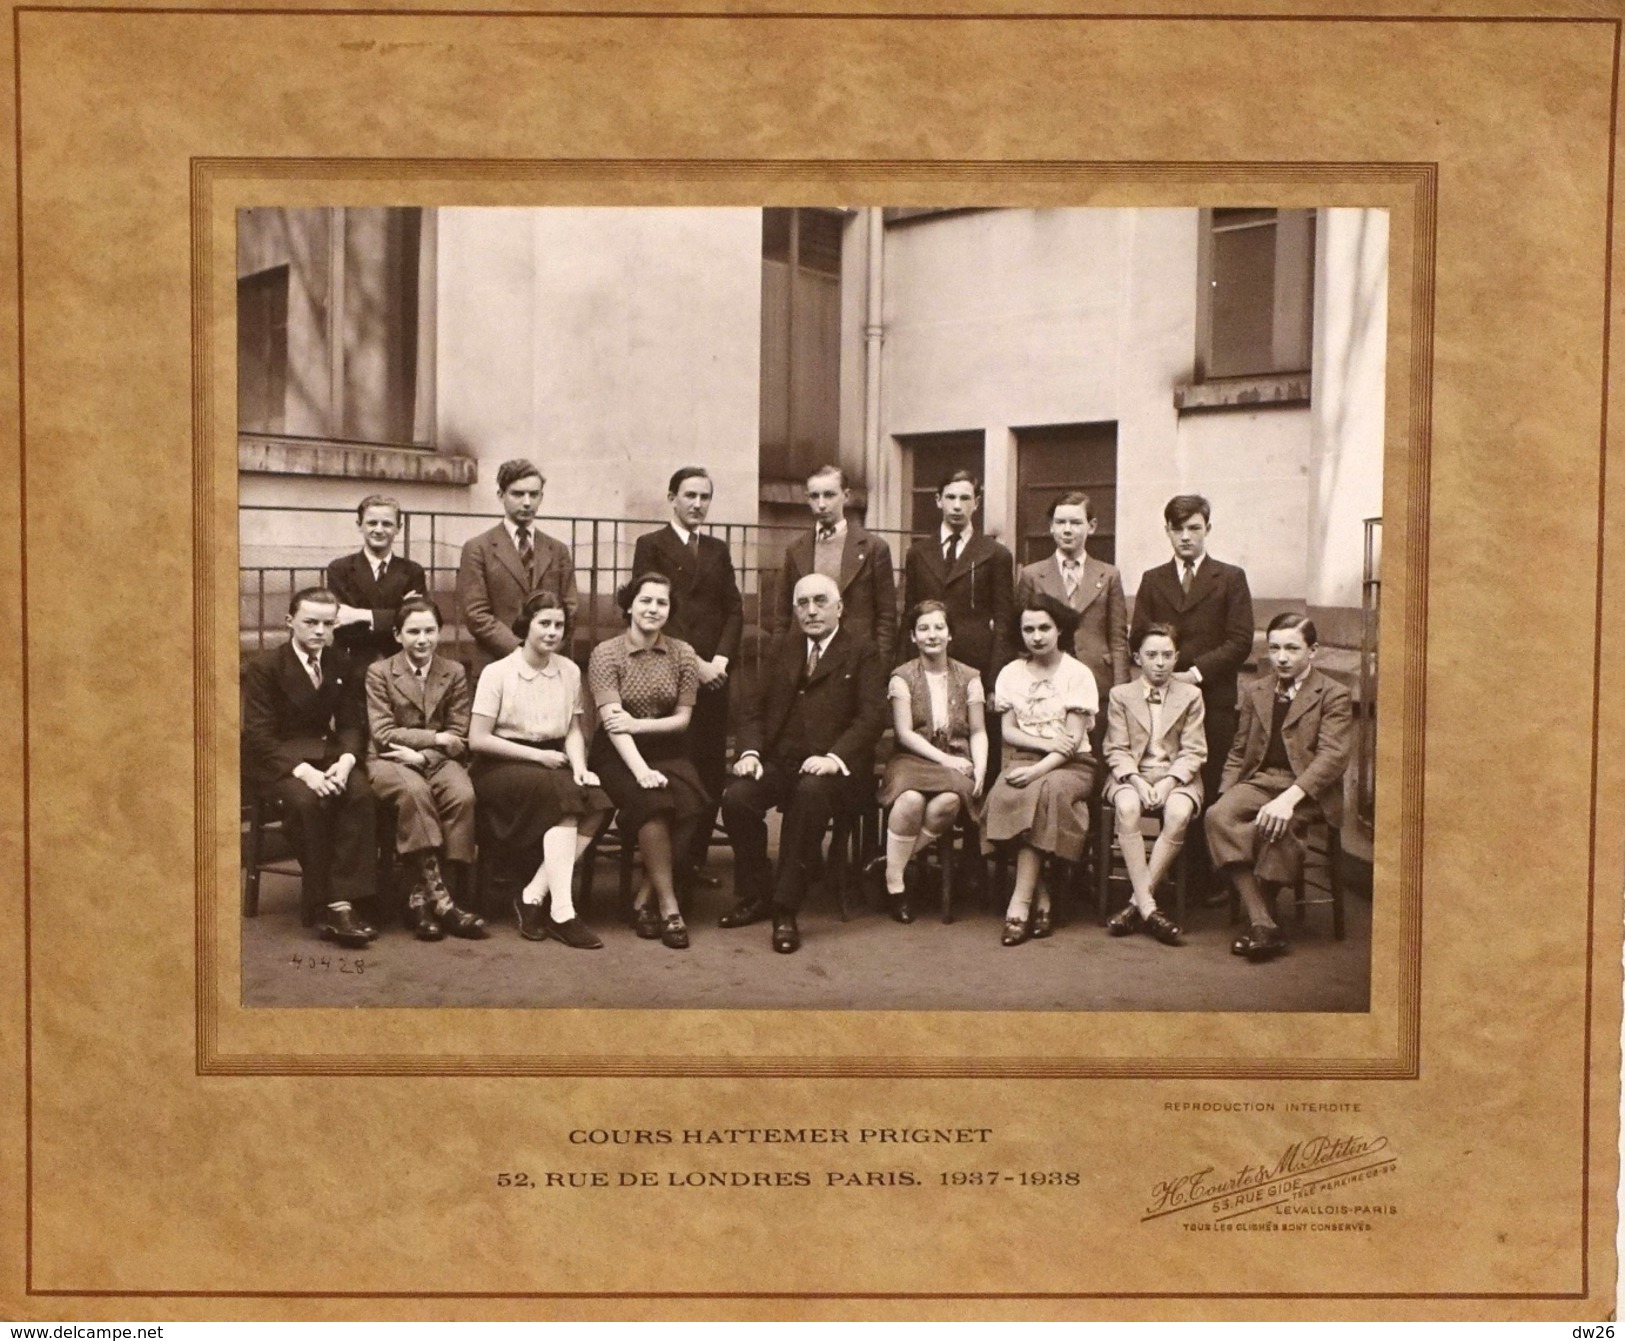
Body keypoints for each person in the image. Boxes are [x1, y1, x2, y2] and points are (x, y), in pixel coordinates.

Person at [719, 572, 887, 954]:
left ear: (839, 608)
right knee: (737, 798)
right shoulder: (783, 648)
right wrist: (749, 754)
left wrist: (834, 757)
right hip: (781, 761)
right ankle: (756, 894)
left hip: (837, 770)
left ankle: (785, 908)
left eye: (820, 601)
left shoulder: (862, 651)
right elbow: (753, 710)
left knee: (809, 795)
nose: (811, 611)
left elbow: (872, 717)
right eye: (802, 603)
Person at [1205, 613, 1354, 963]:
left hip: (1307, 788)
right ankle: (1265, 922)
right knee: (1218, 817)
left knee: (1275, 825)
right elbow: (1240, 749)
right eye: (1274, 649)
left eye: (1292, 648)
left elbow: (1333, 757)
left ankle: (1261, 922)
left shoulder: (1334, 694)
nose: (1282, 657)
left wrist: (1289, 799)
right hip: (1260, 779)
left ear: (1313, 651)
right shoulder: (1257, 689)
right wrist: (1228, 790)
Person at [469, 592, 611, 950]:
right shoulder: (498, 672)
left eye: (559, 625)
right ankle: (563, 912)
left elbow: (574, 730)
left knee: (597, 801)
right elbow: (478, 740)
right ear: (526, 626)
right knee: (562, 798)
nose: (552, 632)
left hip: (553, 762)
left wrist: (580, 767)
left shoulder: (569, 670)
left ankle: (533, 894)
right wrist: (538, 759)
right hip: (501, 765)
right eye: (544, 623)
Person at [241, 587, 377, 949]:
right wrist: (306, 773)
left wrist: (346, 762)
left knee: (360, 792)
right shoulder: (265, 667)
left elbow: (351, 722)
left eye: (327, 624)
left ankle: (351, 897)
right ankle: (330, 904)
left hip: (326, 752)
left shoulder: (339, 662)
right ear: (290, 622)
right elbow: (258, 736)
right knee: (307, 803)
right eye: (310, 622)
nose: (319, 631)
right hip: (276, 759)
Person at [631, 467, 743, 886]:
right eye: (690, 495)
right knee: (678, 761)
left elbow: (733, 608)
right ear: (671, 497)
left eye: (705, 497)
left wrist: (721, 660)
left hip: (714, 674)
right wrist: (694, 661)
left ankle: (694, 861)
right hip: (669, 669)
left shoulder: (716, 549)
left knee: (711, 766)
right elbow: (652, 610)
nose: (698, 504)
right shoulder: (651, 546)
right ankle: (667, 862)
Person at [587, 573, 711, 951]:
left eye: (662, 603)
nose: (653, 609)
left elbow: (683, 719)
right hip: (616, 752)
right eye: (646, 601)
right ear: (629, 605)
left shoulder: (683, 654)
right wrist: (641, 772)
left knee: (694, 804)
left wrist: (640, 724)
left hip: (667, 747)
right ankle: (670, 907)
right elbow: (612, 722)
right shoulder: (605, 654)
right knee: (653, 805)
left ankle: (645, 897)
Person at [363, 597, 485, 941]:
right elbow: (384, 733)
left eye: (430, 631)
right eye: (413, 631)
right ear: (398, 635)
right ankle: (442, 903)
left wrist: (426, 756)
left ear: (439, 633)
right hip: (388, 760)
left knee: (462, 795)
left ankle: (420, 898)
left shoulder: (454, 671)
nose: (422, 639)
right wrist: (436, 738)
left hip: (435, 760)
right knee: (414, 794)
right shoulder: (380, 672)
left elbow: (459, 734)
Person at [981, 600, 1098, 946]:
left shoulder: (1078, 674)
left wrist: (1035, 770)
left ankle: (1019, 905)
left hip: (1073, 766)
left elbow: (1073, 742)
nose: (1036, 636)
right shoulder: (1010, 673)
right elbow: (1009, 732)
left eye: (1044, 628)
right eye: (1028, 629)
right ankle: (1042, 895)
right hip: (1024, 757)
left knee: (1039, 793)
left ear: (1060, 629)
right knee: (1002, 794)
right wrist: (1043, 747)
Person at [1129, 494, 1253, 809]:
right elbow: (1139, 637)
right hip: (1163, 700)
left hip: (1214, 698)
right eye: (1177, 528)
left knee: (1209, 786)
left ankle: (1204, 860)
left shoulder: (1230, 577)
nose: (1186, 536)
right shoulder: (1153, 579)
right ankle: (1171, 857)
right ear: (1168, 531)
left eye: (1194, 528)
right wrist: (1165, 673)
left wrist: (1195, 674)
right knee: (1170, 784)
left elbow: (1240, 640)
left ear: (1207, 529)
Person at [877, 600, 989, 923]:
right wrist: (945, 760)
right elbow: (904, 732)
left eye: (939, 627)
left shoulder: (970, 677)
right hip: (912, 759)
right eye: (923, 629)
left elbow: (979, 731)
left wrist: (978, 768)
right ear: (912, 636)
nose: (932, 635)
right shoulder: (902, 676)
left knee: (949, 802)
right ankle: (895, 884)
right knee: (910, 800)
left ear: (950, 634)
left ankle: (889, 865)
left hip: (958, 760)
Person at [1100, 623, 1207, 947]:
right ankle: (1149, 908)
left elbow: (1194, 750)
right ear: (1137, 658)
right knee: (1128, 806)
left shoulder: (1191, 695)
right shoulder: (1121, 695)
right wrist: (1134, 778)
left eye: (1166, 655)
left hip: (1178, 775)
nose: (1159, 663)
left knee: (1177, 813)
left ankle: (1136, 905)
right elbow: (1115, 749)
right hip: (1131, 773)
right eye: (1151, 655)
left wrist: (1170, 781)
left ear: (1177, 657)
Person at [1014, 490, 1129, 741]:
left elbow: (1118, 639)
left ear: (1092, 526)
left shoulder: (1108, 575)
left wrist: (1121, 691)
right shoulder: (1033, 575)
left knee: (1098, 752)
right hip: (1048, 682)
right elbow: (1022, 636)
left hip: (1098, 682)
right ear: (1051, 528)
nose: (1067, 529)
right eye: (1060, 522)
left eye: (1076, 522)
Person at [456, 459, 580, 683]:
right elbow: (476, 614)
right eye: (517, 494)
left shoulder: (558, 549)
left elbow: (569, 607)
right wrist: (523, 652)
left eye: (534, 495)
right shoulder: (478, 548)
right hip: (497, 666)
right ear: (501, 495)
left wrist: (546, 649)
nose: (526, 502)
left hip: (550, 666)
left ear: (541, 497)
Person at [902, 470, 1015, 692]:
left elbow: (1004, 622)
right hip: (928, 664)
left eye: (965, 498)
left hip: (976, 668)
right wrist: (903, 674)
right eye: (950, 497)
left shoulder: (995, 554)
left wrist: (994, 682)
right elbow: (909, 615)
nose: (957, 506)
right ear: (938, 500)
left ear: (977, 503)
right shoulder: (917, 553)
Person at [775, 464, 897, 666]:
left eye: (829, 495)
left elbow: (886, 618)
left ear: (846, 496)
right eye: (815, 496)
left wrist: (879, 669)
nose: (821, 504)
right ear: (807, 499)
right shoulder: (795, 550)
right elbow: (783, 617)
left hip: (856, 661)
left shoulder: (874, 548)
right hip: (807, 660)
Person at [325, 494, 428, 664]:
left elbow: (416, 621)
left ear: (398, 528)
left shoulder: (412, 571)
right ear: (359, 525)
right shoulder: (340, 569)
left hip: (399, 660)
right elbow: (342, 626)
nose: (379, 530)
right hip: (353, 662)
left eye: (387, 524)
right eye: (372, 523)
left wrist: (360, 614)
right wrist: (396, 614)